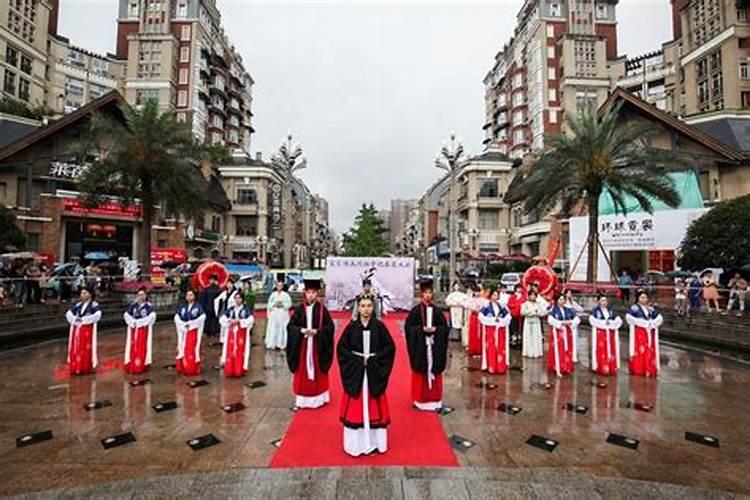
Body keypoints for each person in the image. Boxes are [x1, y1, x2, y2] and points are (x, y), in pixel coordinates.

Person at [337, 295, 396, 457]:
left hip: (373, 373)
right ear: (358, 308)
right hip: (356, 373)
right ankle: (355, 445)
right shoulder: (351, 327)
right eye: (362, 306)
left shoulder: (380, 327)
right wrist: (357, 361)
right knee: (355, 408)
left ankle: (375, 443)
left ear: (373, 307)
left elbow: (390, 348)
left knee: (374, 406)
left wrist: (373, 360)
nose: (366, 309)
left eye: (369, 306)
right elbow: (341, 349)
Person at [286, 278, 335, 409]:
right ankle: (302, 400)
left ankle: (319, 398)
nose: (311, 295)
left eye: (314, 293)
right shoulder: (299, 309)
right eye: (309, 293)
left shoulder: (322, 310)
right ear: (305, 293)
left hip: (317, 347)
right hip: (302, 346)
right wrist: (301, 330)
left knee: (318, 371)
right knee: (303, 372)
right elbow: (291, 327)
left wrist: (317, 332)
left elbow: (330, 328)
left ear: (317, 294)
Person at [404, 278, 449, 411]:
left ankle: (435, 399)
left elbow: (445, 329)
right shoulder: (415, 311)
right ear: (421, 294)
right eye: (426, 293)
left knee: (434, 369)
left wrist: (436, 330)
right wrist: (421, 331)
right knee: (421, 371)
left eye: (430, 293)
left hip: (435, 346)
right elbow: (409, 329)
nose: (428, 295)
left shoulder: (437, 311)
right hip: (420, 347)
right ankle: (420, 400)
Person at [65, 286, 102, 375]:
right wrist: (74, 319)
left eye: (85, 293)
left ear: (90, 294)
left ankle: (86, 367)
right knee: (76, 348)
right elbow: (69, 312)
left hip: (87, 330)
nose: (82, 295)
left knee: (86, 348)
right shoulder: (78, 305)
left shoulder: (94, 305)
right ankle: (76, 366)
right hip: (77, 329)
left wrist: (84, 320)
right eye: (81, 293)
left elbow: (97, 315)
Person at [626, 290, 663, 377]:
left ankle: (649, 368)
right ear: (638, 298)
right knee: (640, 350)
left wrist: (652, 323)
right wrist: (642, 323)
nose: (644, 299)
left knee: (649, 350)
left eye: (646, 297)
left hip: (649, 332)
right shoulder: (634, 308)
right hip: (640, 333)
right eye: (642, 297)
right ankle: (639, 369)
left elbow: (659, 317)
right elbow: (629, 317)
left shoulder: (650, 309)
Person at [219, 293, 254, 377]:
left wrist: (239, 321)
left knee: (239, 350)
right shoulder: (230, 309)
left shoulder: (245, 310)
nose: (237, 300)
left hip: (241, 333)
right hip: (231, 333)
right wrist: (229, 321)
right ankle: (229, 369)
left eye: (239, 298)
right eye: (236, 298)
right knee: (230, 349)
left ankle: (239, 369)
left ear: (242, 299)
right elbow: (222, 318)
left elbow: (250, 319)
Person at [478, 288, 512, 374]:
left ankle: (500, 367)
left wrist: (502, 321)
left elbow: (508, 316)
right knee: (490, 348)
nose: (495, 297)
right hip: (490, 330)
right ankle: (491, 366)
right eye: (494, 295)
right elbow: (480, 316)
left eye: (497, 295)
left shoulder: (501, 306)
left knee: (500, 348)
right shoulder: (486, 306)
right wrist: (491, 320)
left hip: (499, 330)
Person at [123, 287, 156, 374]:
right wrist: (132, 322)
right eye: (139, 295)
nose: (140, 297)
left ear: (146, 296)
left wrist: (141, 322)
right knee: (132, 346)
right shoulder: (133, 306)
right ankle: (131, 362)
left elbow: (152, 316)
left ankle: (142, 363)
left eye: (142, 295)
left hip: (144, 330)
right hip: (133, 329)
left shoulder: (148, 306)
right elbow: (126, 314)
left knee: (142, 346)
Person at [588, 294, 622, 376]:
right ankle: (601, 367)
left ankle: (611, 367)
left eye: (605, 301)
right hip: (601, 334)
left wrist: (610, 323)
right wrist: (603, 323)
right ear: (598, 301)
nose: (604, 302)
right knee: (601, 350)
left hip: (610, 334)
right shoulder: (595, 311)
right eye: (602, 300)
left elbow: (618, 320)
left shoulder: (611, 310)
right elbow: (592, 320)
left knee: (611, 349)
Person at [174, 289, 206, 376]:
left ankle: (192, 367)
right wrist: (182, 324)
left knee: (192, 349)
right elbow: (177, 317)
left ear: (194, 296)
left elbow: (202, 317)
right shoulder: (182, 307)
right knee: (182, 347)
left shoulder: (198, 307)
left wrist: (192, 324)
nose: (189, 297)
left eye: (191, 295)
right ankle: (182, 366)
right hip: (183, 331)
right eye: (188, 295)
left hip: (193, 332)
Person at [547, 293, 578, 378]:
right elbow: (550, 320)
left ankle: (566, 366)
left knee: (567, 349)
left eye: (563, 299)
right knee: (559, 348)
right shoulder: (553, 310)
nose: (562, 301)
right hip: (558, 333)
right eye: (560, 299)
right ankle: (557, 365)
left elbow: (576, 318)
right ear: (556, 301)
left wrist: (571, 322)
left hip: (567, 333)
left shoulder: (568, 310)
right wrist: (561, 323)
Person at [265, 280, 292, 350]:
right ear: (276, 286)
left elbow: (289, 304)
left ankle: (281, 344)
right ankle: (272, 343)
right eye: (278, 285)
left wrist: (282, 305)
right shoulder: (273, 294)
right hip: (274, 313)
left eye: (281, 285)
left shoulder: (286, 295)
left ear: (282, 286)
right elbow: (269, 304)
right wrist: (274, 304)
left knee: (282, 329)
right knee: (273, 328)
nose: (279, 287)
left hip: (282, 314)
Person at [521, 289, 545, 358]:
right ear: (528, 296)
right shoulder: (525, 304)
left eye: (534, 295)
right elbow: (522, 312)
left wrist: (537, 312)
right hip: (528, 322)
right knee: (528, 336)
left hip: (536, 322)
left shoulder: (538, 304)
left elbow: (542, 312)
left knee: (536, 336)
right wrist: (531, 312)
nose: (533, 297)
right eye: (531, 295)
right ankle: (528, 352)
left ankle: (536, 352)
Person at [464, 284, 486, 356]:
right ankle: (473, 349)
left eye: (478, 292)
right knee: (473, 332)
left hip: (481, 317)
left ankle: (480, 350)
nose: (477, 293)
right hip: (473, 317)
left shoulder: (484, 300)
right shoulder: (470, 300)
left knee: (481, 333)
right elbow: (467, 305)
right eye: (475, 292)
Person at [564, 289, 584, 363]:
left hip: (573, 322)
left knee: (574, 339)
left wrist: (575, 310)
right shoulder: (564, 303)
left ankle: (574, 354)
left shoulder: (573, 303)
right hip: (566, 323)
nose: (569, 295)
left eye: (570, 293)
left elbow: (581, 309)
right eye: (568, 293)